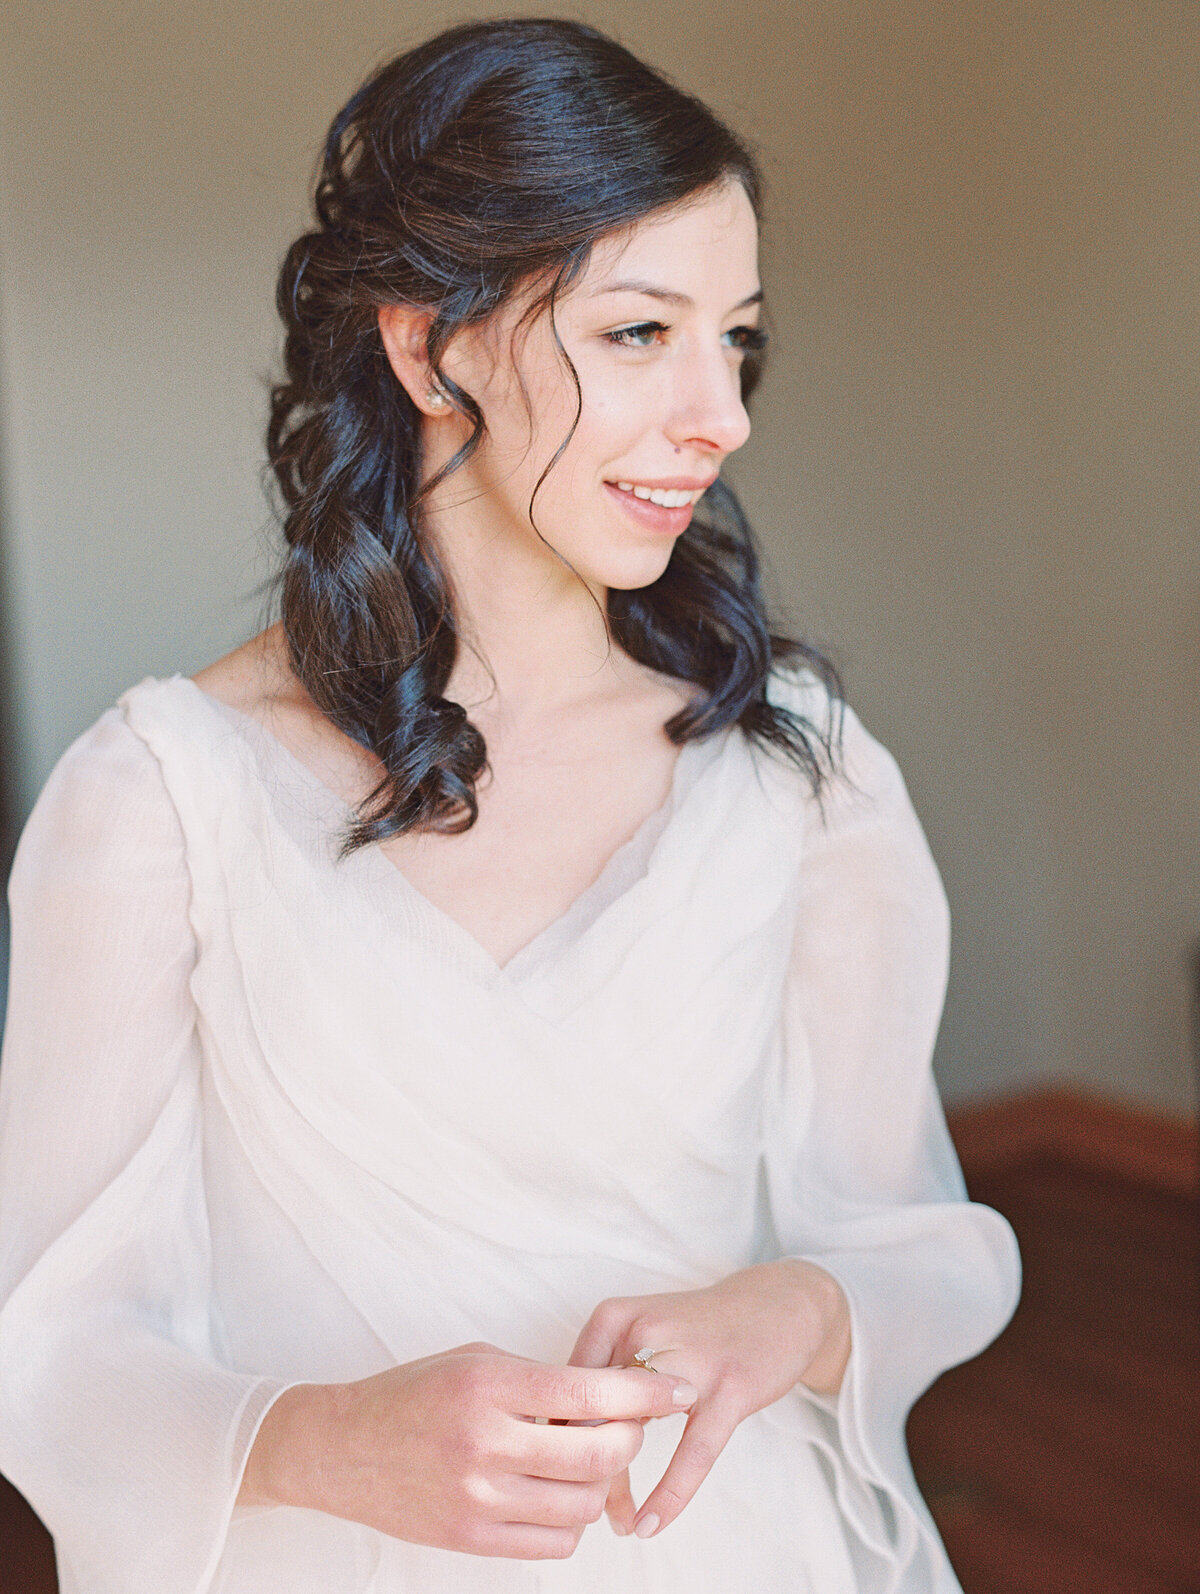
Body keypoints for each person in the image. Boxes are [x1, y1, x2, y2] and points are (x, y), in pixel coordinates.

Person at [0, 18, 1019, 1594]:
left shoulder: (795, 770)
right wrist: (324, 1439)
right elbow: (45, 1352)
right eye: (638, 333)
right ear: (430, 344)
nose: (721, 413)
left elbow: (941, 1243)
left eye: (734, 338)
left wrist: (798, 1308)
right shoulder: (159, 803)